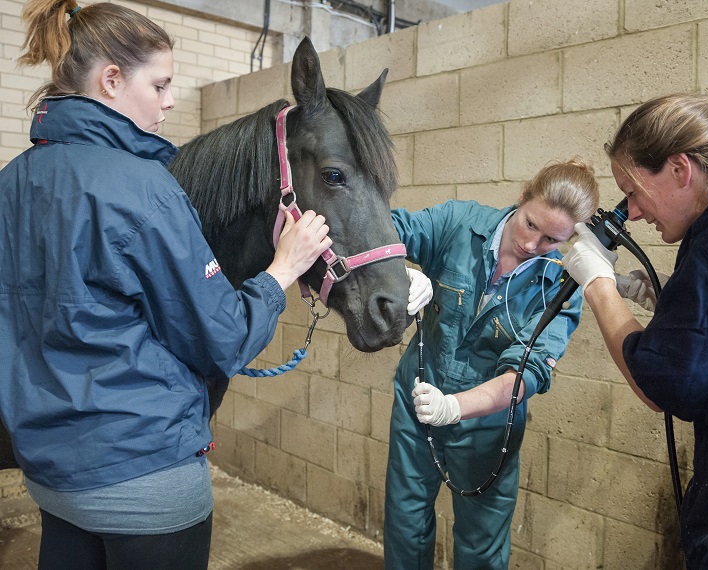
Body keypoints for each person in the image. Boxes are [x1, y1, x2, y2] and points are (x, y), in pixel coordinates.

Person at [0, 2, 334, 568]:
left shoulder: (13, 180)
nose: (171, 100)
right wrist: (283, 269)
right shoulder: (142, 187)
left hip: (51, 471)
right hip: (143, 475)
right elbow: (220, 337)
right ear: (111, 80)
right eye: (160, 85)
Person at [562, 89, 708, 568]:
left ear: (679, 169)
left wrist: (599, 286)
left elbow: (665, 387)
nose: (631, 212)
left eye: (632, 191)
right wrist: (675, 294)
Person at [385, 160, 601, 569]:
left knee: (481, 544)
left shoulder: (559, 286)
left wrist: (455, 408)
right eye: (531, 224)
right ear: (522, 197)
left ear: (571, 239)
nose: (533, 244)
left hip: (487, 425)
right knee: (405, 520)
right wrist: (398, 275)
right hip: (418, 396)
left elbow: (523, 377)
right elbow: (380, 232)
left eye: (553, 239)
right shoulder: (458, 222)